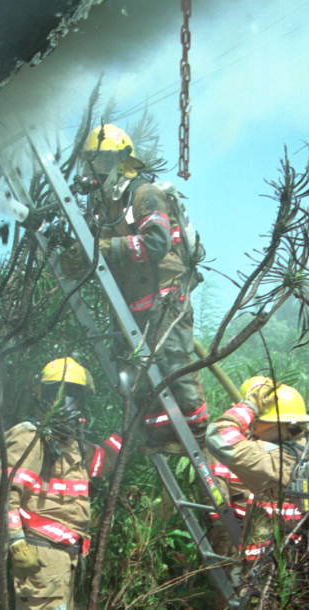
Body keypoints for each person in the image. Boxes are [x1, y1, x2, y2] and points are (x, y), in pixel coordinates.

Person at [61, 122, 208, 452]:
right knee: (136, 372)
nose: (94, 169)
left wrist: (100, 248)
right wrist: (75, 254)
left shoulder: (145, 194)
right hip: (134, 300)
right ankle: (159, 436)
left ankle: (197, 433)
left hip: (166, 292)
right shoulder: (108, 206)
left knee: (172, 363)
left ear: (121, 162)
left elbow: (155, 244)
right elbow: (101, 248)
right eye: (91, 161)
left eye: (101, 160)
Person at [0, 356, 122, 610]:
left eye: (75, 393)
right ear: (42, 395)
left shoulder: (70, 445)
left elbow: (102, 461)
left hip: (64, 556)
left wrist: (128, 432)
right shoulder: (30, 436)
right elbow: (3, 495)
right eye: (59, 393)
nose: (67, 402)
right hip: (39, 554)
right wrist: (16, 542)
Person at [205, 376, 309, 572]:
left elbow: (218, 434)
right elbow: (303, 431)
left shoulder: (266, 459)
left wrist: (248, 407)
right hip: (308, 553)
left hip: (264, 564)